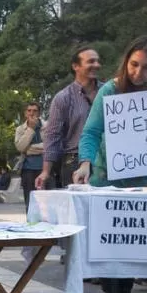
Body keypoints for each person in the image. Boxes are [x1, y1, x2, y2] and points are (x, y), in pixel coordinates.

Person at [74, 34, 147, 293]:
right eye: (134, 65)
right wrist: (85, 162)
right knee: (113, 242)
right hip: (108, 179)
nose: (139, 73)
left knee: (135, 243)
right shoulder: (109, 91)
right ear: (126, 61)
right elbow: (91, 132)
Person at [37, 46, 101, 190]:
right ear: (75, 66)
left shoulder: (108, 92)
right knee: (78, 211)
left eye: (98, 61)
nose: (96, 65)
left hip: (105, 162)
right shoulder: (63, 98)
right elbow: (53, 136)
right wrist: (46, 172)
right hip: (74, 162)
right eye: (91, 61)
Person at [15, 102, 46, 209]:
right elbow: (20, 147)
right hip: (27, 169)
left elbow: (49, 146)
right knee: (29, 201)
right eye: (29, 110)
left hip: (45, 169)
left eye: (35, 110)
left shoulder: (47, 127)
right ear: (25, 113)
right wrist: (31, 129)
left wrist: (29, 149)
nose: (31, 113)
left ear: (39, 113)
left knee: (45, 202)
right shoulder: (20, 129)